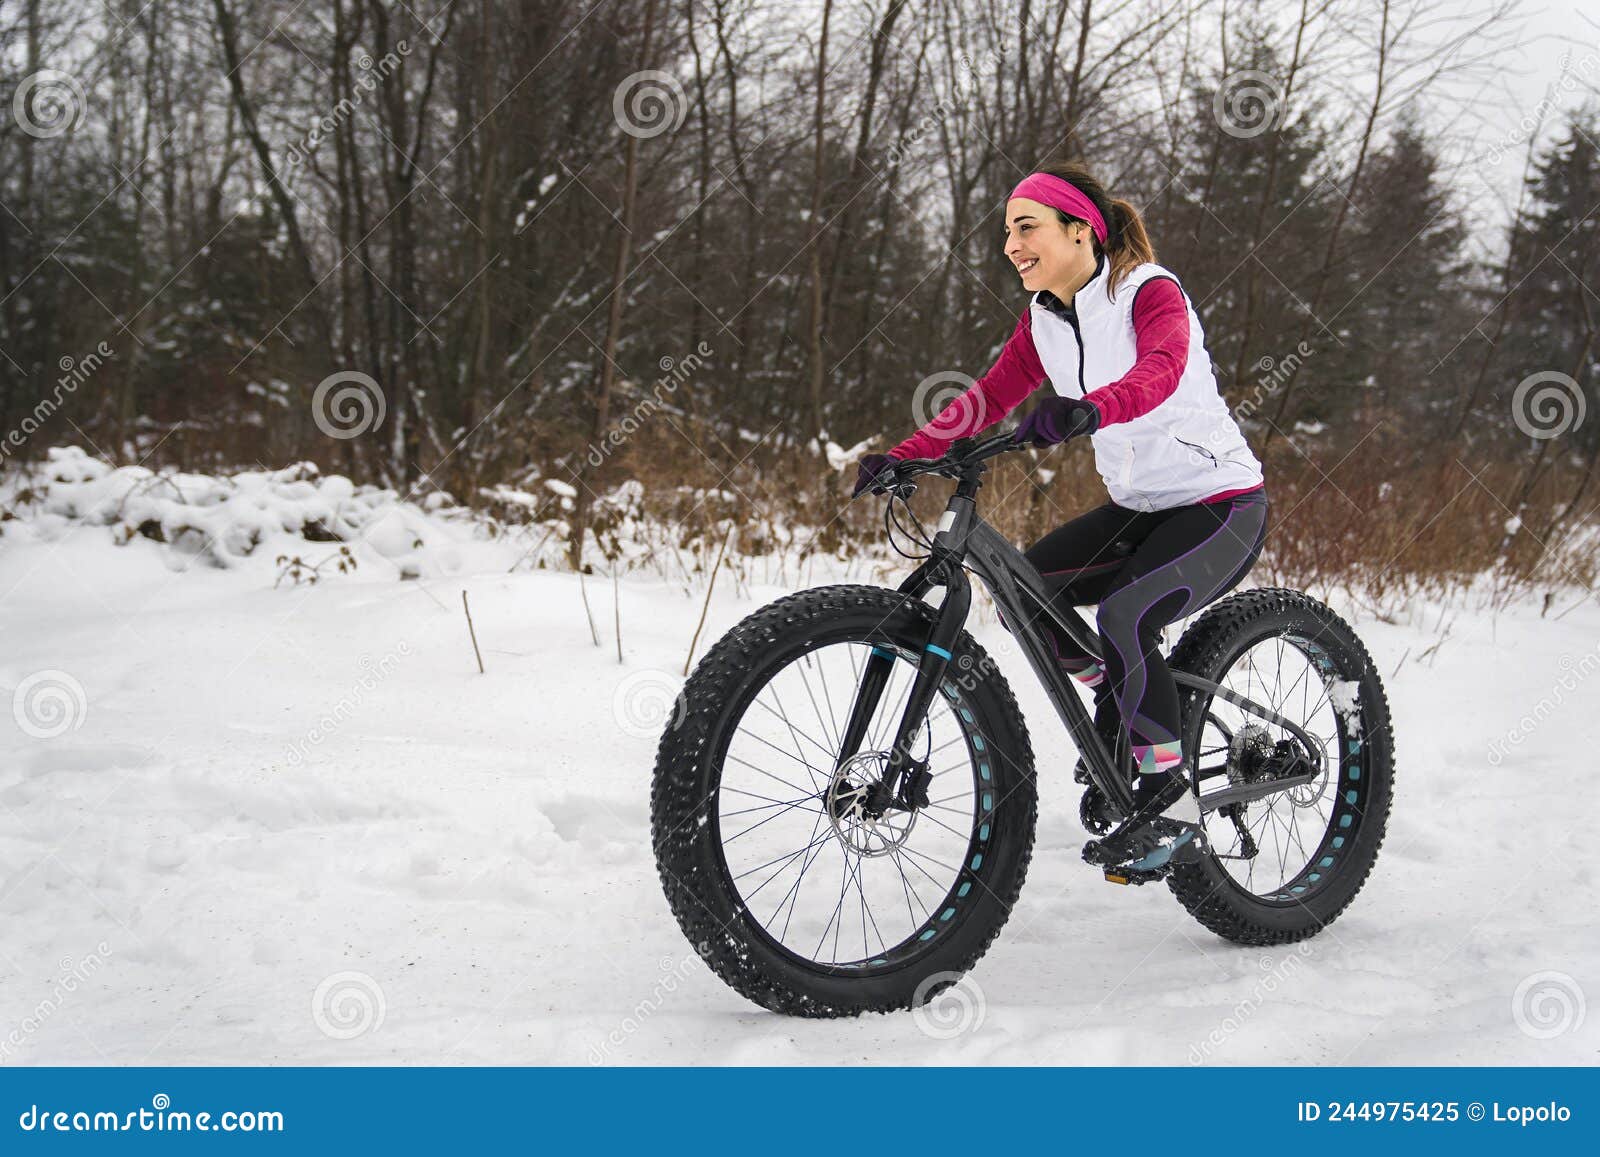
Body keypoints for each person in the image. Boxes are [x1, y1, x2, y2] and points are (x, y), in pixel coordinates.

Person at [852, 160, 1268, 877]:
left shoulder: (1148, 291)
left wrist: (1093, 406)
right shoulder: (1045, 316)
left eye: (1026, 227)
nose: (1011, 245)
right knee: (1027, 593)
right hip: (1138, 508)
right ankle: (1121, 692)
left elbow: (1163, 366)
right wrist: (907, 455)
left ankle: (1169, 797)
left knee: (1127, 612)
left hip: (1221, 504)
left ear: (1081, 230)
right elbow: (984, 398)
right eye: (1006, 232)